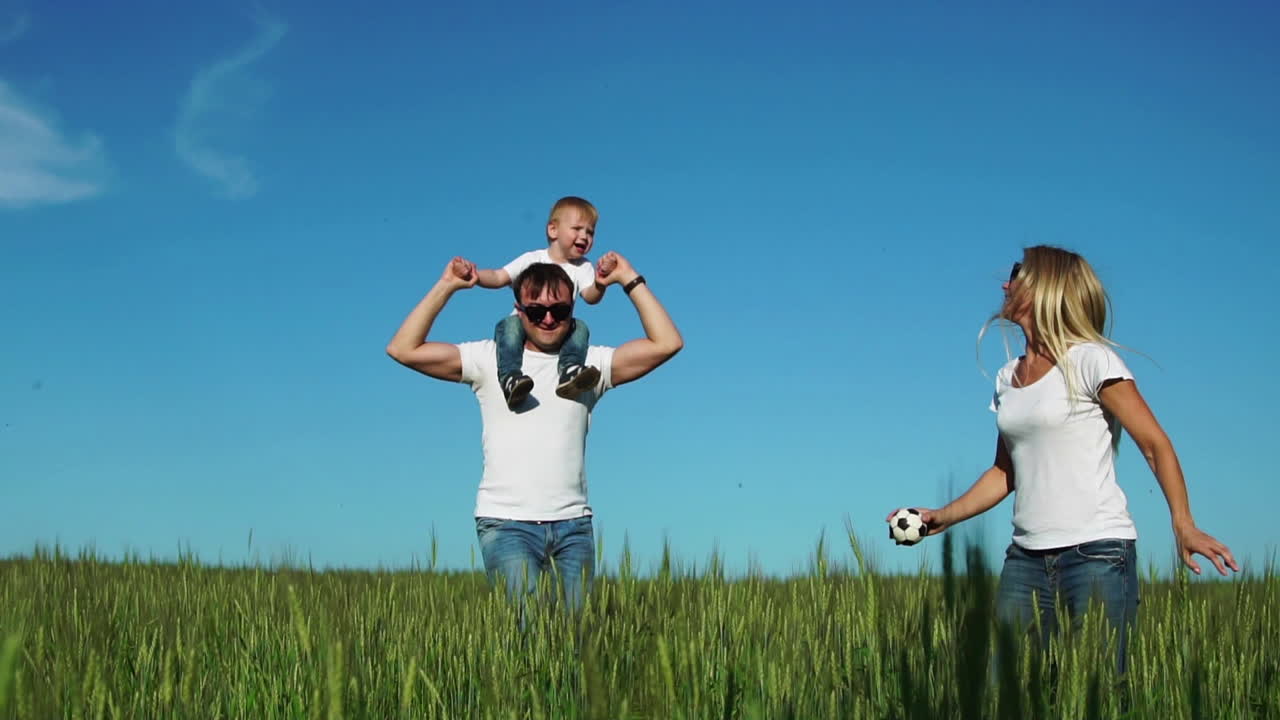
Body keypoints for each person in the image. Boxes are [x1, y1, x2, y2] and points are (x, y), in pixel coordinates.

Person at [890, 245, 1238, 673]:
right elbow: (1005, 471)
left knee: (1096, 693)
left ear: (1046, 287)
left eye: (1016, 274)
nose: (1004, 283)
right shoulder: (1007, 378)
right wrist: (943, 516)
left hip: (1097, 555)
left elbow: (1154, 443)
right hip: (1025, 561)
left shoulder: (1090, 360)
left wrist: (1183, 524)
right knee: (1008, 693)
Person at [386, 254, 682, 612]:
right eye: (535, 310)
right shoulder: (487, 359)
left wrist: (628, 278)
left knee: (572, 643)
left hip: (574, 527)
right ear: (518, 310)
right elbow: (402, 349)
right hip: (506, 524)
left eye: (558, 311)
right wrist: (447, 285)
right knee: (525, 636)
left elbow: (667, 343)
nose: (547, 318)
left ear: (572, 310)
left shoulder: (592, 366)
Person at [468, 196, 612, 410]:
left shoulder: (582, 267)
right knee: (508, 326)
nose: (585, 236)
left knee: (579, 327)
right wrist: (474, 275)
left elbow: (591, 297)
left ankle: (570, 371)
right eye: (577, 229)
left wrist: (601, 282)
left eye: (590, 232)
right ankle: (510, 378)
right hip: (526, 324)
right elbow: (499, 277)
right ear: (553, 230)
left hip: (557, 330)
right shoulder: (532, 259)